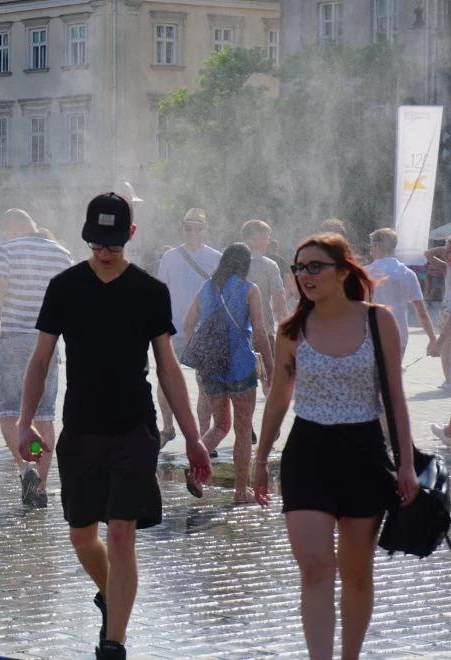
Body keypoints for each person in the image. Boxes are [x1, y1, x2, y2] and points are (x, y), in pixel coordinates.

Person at [18, 193, 211, 660]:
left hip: (134, 428)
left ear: (131, 236)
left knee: (122, 532)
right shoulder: (64, 286)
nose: (104, 252)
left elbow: (167, 369)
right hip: (80, 427)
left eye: (113, 243)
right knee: (83, 536)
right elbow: (40, 360)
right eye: (96, 242)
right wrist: (25, 424)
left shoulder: (149, 292)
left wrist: (193, 437)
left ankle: (114, 643)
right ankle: (114, 596)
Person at [253, 233, 418, 660]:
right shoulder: (291, 330)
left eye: (314, 267)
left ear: (343, 271)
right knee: (314, 568)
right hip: (307, 451)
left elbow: (395, 396)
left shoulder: (377, 320)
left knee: (357, 573)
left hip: (363, 450)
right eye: (298, 268)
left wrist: (406, 463)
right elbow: (277, 400)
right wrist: (258, 458)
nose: (304, 276)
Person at [0, 209, 73, 507]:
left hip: (15, 338)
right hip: (49, 342)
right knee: (44, 415)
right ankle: (39, 486)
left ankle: (26, 468)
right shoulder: (62, 253)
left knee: (9, 412)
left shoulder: (6, 250)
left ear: (12, 228)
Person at [180, 243, 273, 503]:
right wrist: (271, 367)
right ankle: (241, 491)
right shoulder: (249, 289)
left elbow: (187, 325)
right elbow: (260, 333)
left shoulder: (206, 287)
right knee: (243, 430)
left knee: (220, 425)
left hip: (211, 368)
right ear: (245, 264)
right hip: (240, 367)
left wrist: (200, 358)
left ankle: (195, 470)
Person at [155, 208, 221, 445]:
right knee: (165, 381)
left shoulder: (216, 258)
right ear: (181, 228)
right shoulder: (170, 257)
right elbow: (160, 292)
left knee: (204, 383)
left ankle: (203, 435)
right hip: (174, 328)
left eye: (197, 227)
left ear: (205, 230)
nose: (191, 232)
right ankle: (168, 427)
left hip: (205, 330)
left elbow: (220, 295)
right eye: (187, 227)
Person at [365, 228, 437, 362]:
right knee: (393, 378)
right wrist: (432, 339)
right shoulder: (408, 274)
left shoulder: (365, 273)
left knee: (373, 379)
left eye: (371, 245)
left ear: (378, 246)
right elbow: (421, 312)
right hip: (399, 335)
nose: (370, 249)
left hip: (371, 335)